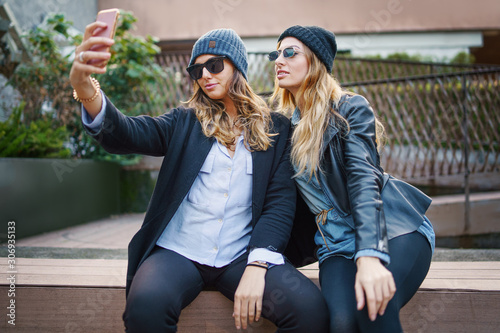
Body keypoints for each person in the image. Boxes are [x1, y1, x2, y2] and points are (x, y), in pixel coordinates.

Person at [70, 22, 329, 333]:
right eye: (197, 70)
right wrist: (85, 88)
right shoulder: (184, 121)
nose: (205, 75)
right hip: (179, 252)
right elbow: (126, 132)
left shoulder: (277, 128)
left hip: (241, 255)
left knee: (310, 311)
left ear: (238, 67)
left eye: (215, 65)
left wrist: (257, 265)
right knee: (145, 307)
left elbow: (278, 204)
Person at [270, 25, 435, 332]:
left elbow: (363, 180)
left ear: (316, 62)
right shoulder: (283, 126)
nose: (279, 60)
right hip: (335, 247)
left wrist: (370, 256)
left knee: (373, 310)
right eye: (276, 53)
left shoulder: (349, 109)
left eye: (290, 52)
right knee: (343, 323)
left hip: (391, 228)